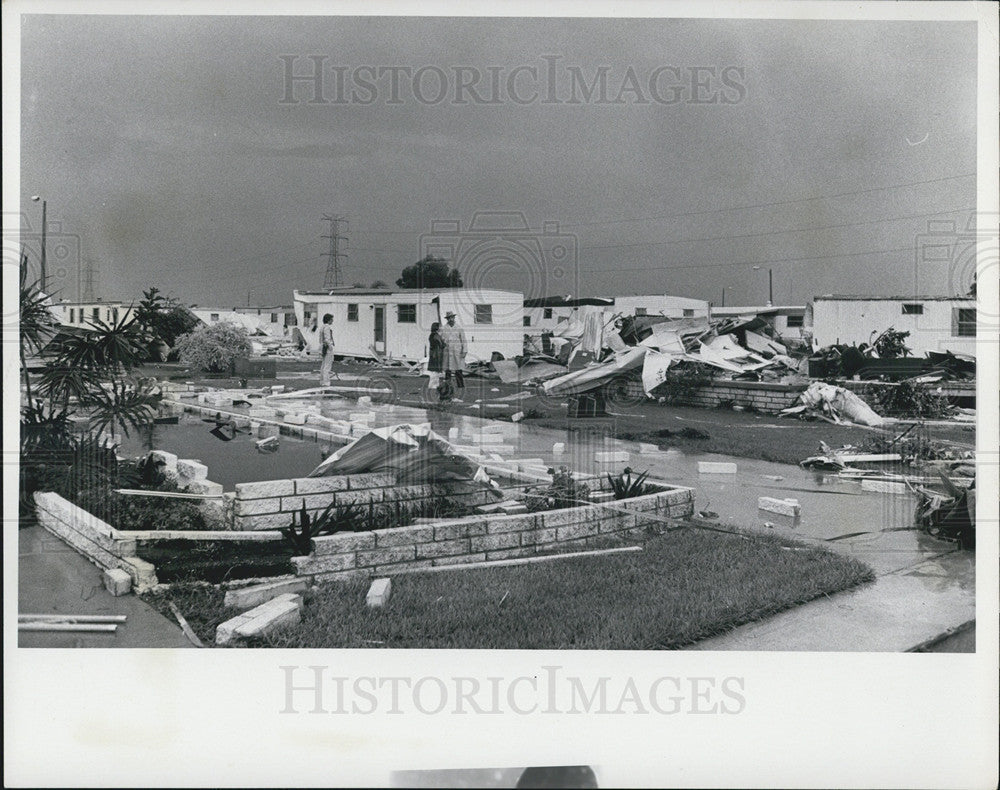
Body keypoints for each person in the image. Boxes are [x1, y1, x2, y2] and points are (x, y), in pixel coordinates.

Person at [439, 310, 466, 394]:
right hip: (447, 351)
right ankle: (448, 385)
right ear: (447, 319)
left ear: (454, 318)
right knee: (448, 369)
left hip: (457, 351)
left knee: (458, 369)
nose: (451, 319)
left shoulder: (459, 328)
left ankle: (460, 385)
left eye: (452, 317)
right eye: (449, 318)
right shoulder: (443, 328)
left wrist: (464, 350)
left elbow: (464, 340)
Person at [427, 321, 446, 397]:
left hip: (433, 354)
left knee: (434, 372)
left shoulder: (431, 335)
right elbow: (442, 345)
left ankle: (434, 385)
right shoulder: (436, 336)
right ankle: (433, 386)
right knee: (435, 372)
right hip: (437, 355)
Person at [319, 313, 336, 386]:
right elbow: (327, 338)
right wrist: (330, 346)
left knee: (323, 365)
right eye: (331, 319)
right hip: (327, 348)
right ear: (328, 320)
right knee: (327, 366)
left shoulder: (322, 327)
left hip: (323, 347)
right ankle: (326, 382)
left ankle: (322, 381)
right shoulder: (327, 327)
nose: (332, 321)